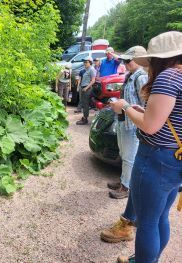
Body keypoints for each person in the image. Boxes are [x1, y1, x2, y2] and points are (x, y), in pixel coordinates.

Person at [109, 31, 182, 263]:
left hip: (155, 157)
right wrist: (142, 112)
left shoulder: (169, 77)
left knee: (147, 221)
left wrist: (125, 108)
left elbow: (150, 126)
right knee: (161, 217)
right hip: (175, 156)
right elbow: (168, 118)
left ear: (160, 58)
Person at [106, 46, 148, 200]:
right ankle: (124, 180)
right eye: (125, 60)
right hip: (124, 121)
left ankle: (126, 187)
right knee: (124, 154)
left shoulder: (140, 77)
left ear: (139, 60)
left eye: (129, 60)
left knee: (129, 156)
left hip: (132, 124)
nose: (126, 63)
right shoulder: (130, 75)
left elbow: (145, 105)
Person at [76, 56, 96, 125]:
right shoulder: (86, 69)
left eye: (86, 62)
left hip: (87, 89)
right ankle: (84, 117)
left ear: (90, 62)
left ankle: (85, 119)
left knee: (85, 104)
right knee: (84, 103)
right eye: (84, 62)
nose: (85, 63)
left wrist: (86, 88)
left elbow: (93, 81)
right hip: (83, 88)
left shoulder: (92, 69)